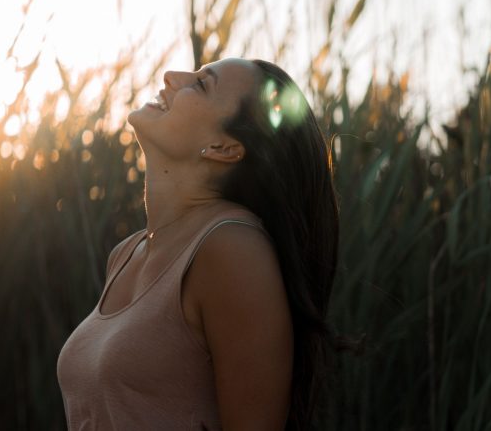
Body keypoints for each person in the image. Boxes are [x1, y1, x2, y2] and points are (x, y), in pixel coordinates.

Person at [57, 57, 342, 429]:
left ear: (223, 148)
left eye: (202, 84)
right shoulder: (126, 254)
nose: (172, 77)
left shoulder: (231, 249)